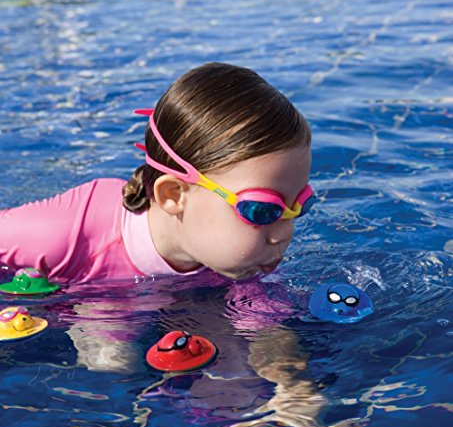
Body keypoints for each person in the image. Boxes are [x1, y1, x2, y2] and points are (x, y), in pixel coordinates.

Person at [0, 62, 314, 284]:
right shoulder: (64, 233)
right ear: (173, 195)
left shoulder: (240, 253)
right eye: (262, 211)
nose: (285, 233)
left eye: (300, 206)